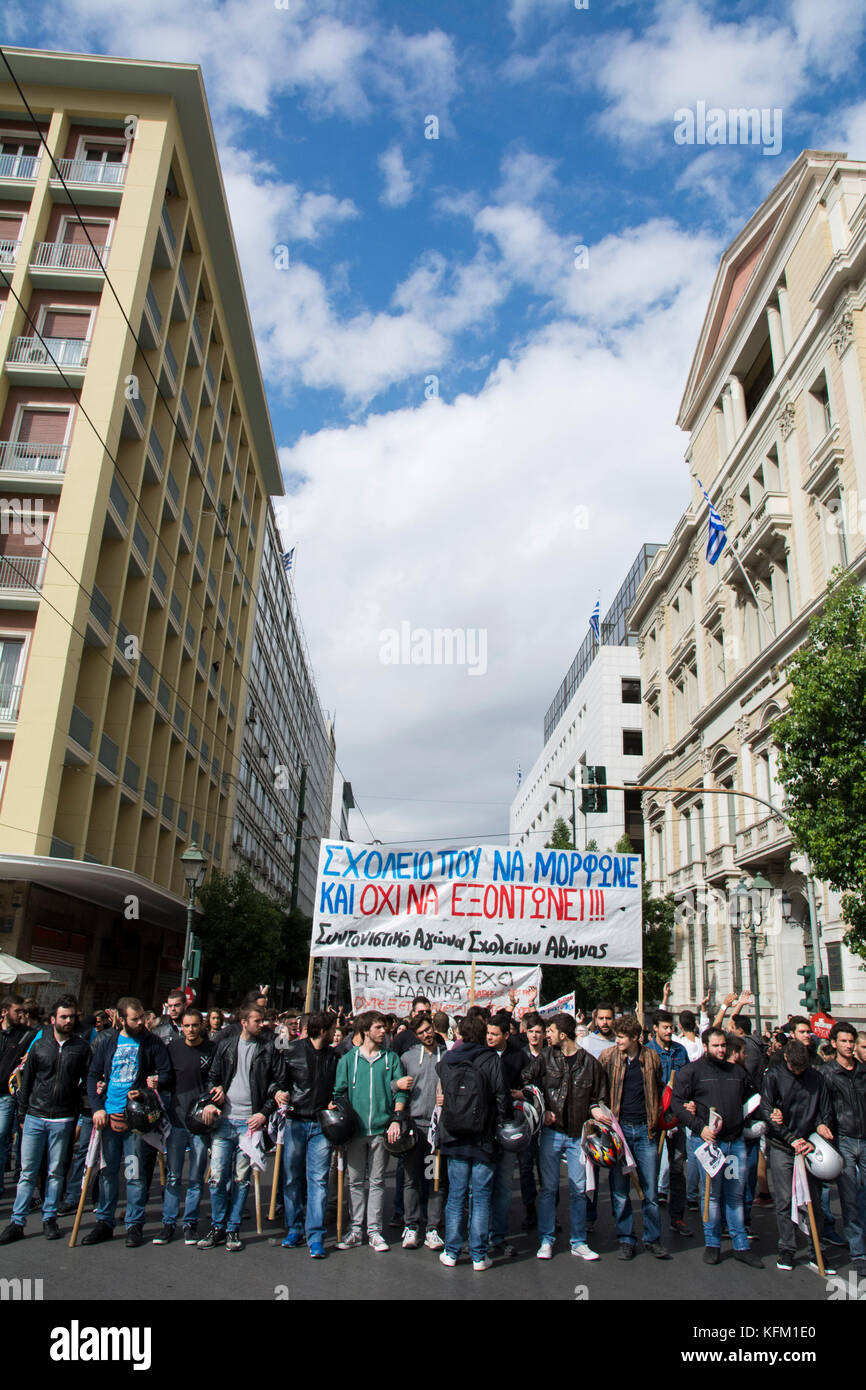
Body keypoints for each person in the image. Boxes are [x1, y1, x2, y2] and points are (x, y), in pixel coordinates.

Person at [83, 996, 172, 1247]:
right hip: (109, 1118)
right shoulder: (107, 1042)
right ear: (121, 1019)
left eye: (142, 1016)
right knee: (107, 1172)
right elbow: (93, 1075)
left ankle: (134, 1223)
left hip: (135, 1120)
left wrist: (145, 1090)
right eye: (135, 1018)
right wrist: (97, 1108)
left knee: (133, 1173)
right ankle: (105, 1221)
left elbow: (165, 1074)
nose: (141, 1021)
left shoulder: (152, 1043)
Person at [0, 995, 90, 1244]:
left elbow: (87, 1082)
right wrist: (22, 1114)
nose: (69, 1020)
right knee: (27, 1172)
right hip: (35, 1116)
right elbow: (26, 1082)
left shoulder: (81, 1048)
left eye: (72, 1016)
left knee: (55, 1172)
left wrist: (84, 1111)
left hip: (62, 1118)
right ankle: (17, 1221)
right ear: (53, 1019)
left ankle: (49, 1217)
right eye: (64, 1016)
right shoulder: (40, 1046)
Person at [670, 1026, 762, 1267]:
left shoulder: (738, 1073)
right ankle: (712, 1244)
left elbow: (753, 1101)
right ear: (705, 1046)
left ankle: (741, 1245)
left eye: (724, 1045)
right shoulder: (691, 1072)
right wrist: (700, 1127)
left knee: (736, 1196)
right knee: (711, 1195)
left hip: (736, 1142)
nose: (721, 1050)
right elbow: (677, 1104)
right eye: (716, 1046)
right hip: (709, 1143)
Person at [523, 1012, 609, 1261]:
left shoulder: (590, 1063)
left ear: (562, 1034)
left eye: (549, 1031)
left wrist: (595, 1108)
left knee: (578, 1190)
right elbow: (527, 1081)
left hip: (578, 1136)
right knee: (549, 1189)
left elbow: (599, 1096)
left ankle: (578, 1241)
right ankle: (546, 1239)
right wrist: (542, 1109)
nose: (546, 1035)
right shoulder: (546, 1057)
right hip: (552, 1133)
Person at [197, 1003, 280, 1252]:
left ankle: (233, 1228)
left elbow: (276, 1083)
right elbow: (212, 1076)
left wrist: (264, 1114)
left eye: (263, 1020)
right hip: (225, 1121)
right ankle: (217, 1225)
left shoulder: (268, 1049)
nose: (262, 1024)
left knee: (241, 1178)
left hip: (249, 1124)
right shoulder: (225, 1046)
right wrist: (216, 1092)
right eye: (257, 1020)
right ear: (244, 1022)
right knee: (217, 1177)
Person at [436, 1013, 507, 1271]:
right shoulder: (491, 1060)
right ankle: (479, 1255)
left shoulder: (447, 1061)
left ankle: (452, 1251)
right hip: (483, 1138)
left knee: (455, 1196)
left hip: (454, 1136)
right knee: (481, 1196)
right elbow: (501, 1099)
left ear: (460, 1035)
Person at [332, 1011, 406, 1251]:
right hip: (356, 1131)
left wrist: (396, 1119)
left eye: (384, 1027)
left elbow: (401, 1091)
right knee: (354, 1181)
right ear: (365, 1031)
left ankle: (374, 1230)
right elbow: (339, 1093)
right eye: (377, 1027)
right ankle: (355, 1229)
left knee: (376, 1181)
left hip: (381, 1129)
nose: (383, 1031)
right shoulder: (347, 1061)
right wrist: (343, 1122)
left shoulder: (391, 1059)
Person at [760, 1038, 836, 1273]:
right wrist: (790, 1138)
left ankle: (816, 1249)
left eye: (803, 1068)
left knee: (813, 1201)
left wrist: (822, 1126)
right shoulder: (773, 1076)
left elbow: (825, 1110)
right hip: (784, 1144)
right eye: (795, 1068)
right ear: (786, 1059)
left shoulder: (817, 1078)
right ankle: (787, 1248)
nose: (799, 1072)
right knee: (784, 1200)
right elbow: (767, 1110)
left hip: (809, 1144)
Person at [599, 1014, 669, 1260]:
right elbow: (599, 1089)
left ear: (635, 1038)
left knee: (650, 1190)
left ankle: (652, 1238)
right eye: (616, 1037)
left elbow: (659, 1088)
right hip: (620, 1131)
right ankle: (626, 1239)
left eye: (621, 1037)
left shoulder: (651, 1058)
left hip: (645, 1130)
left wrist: (657, 1117)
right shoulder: (609, 1057)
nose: (616, 1041)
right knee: (620, 1189)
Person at [274, 1011, 338, 1259]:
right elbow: (277, 1081)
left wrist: (336, 1102)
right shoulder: (292, 1051)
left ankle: (315, 1235)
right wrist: (278, 1093)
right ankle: (294, 1228)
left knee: (318, 1181)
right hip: (296, 1122)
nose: (335, 1032)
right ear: (323, 1030)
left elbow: (339, 1088)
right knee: (292, 1178)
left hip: (321, 1125)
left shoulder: (335, 1056)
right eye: (333, 1028)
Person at [155, 1008, 214, 1246]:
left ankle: (190, 1223)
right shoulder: (173, 1049)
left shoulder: (212, 1050)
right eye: (186, 1026)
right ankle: (168, 1223)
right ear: (182, 1026)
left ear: (202, 1025)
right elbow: (166, 1080)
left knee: (196, 1177)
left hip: (199, 1123)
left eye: (195, 1025)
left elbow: (215, 1079)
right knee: (173, 1176)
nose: (190, 1030)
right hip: (177, 1121)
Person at [394, 1013, 448, 1251]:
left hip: (437, 1128)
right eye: (421, 1032)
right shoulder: (407, 1057)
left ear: (434, 1028)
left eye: (428, 1029)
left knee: (435, 1179)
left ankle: (433, 1227)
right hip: (415, 1127)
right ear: (415, 1036)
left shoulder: (447, 1057)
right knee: (411, 1179)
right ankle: (411, 1225)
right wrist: (396, 1085)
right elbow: (394, 1086)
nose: (426, 1034)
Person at [820, 1021, 866, 1280]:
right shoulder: (827, 1073)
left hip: (865, 1138)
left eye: (852, 1042)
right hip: (844, 1141)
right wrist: (824, 1127)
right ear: (834, 1043)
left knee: (864, 1196)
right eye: (844, 1041)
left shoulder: (863, 1071)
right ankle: (859, 1253)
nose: (849, 1046)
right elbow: (823, 1108)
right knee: (850, 1198)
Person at [646, 1009, 692, 1238]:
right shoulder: (648, 1051)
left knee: (677, 1169)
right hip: (654, 1119)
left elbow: (689, 1081)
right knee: (650, 1169)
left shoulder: (680, 1051)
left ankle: (677, 1218)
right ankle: (650, 1222)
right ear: (655, 1028)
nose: (669, 1030)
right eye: (664, 1027)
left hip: (677, 1119)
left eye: (670, 1027)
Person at [486, 1009, 526, 1258]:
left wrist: (522, 1093)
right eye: (487, 1033)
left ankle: (498, 1236)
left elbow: (531, 1085)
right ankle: (481, 1234)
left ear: (506, 1035)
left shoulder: (518, 1058)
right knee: (481, 1186)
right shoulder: (481, 1054)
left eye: (493, 1034)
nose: (489, 1037)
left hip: (508, 1128)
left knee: (502, 1187)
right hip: (484, 1128)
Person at [0, 995, 35, 1196]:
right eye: (17, 1011)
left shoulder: (26, 1035)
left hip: (6, 1095)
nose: (21, 1015)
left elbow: (42, 1038)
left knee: (1, 1136)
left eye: (23, 1011)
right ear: (5, 1012)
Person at [517, 1011, 546, 1227]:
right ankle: (530, 1210)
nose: (534, 1036)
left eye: (538, 1032)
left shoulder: (551, 1055)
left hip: (547, 1120)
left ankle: (548, 1212)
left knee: (546, 1168)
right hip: (526, 1119)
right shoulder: (520, 1056)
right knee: (526, 1166)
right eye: (531, 1032)